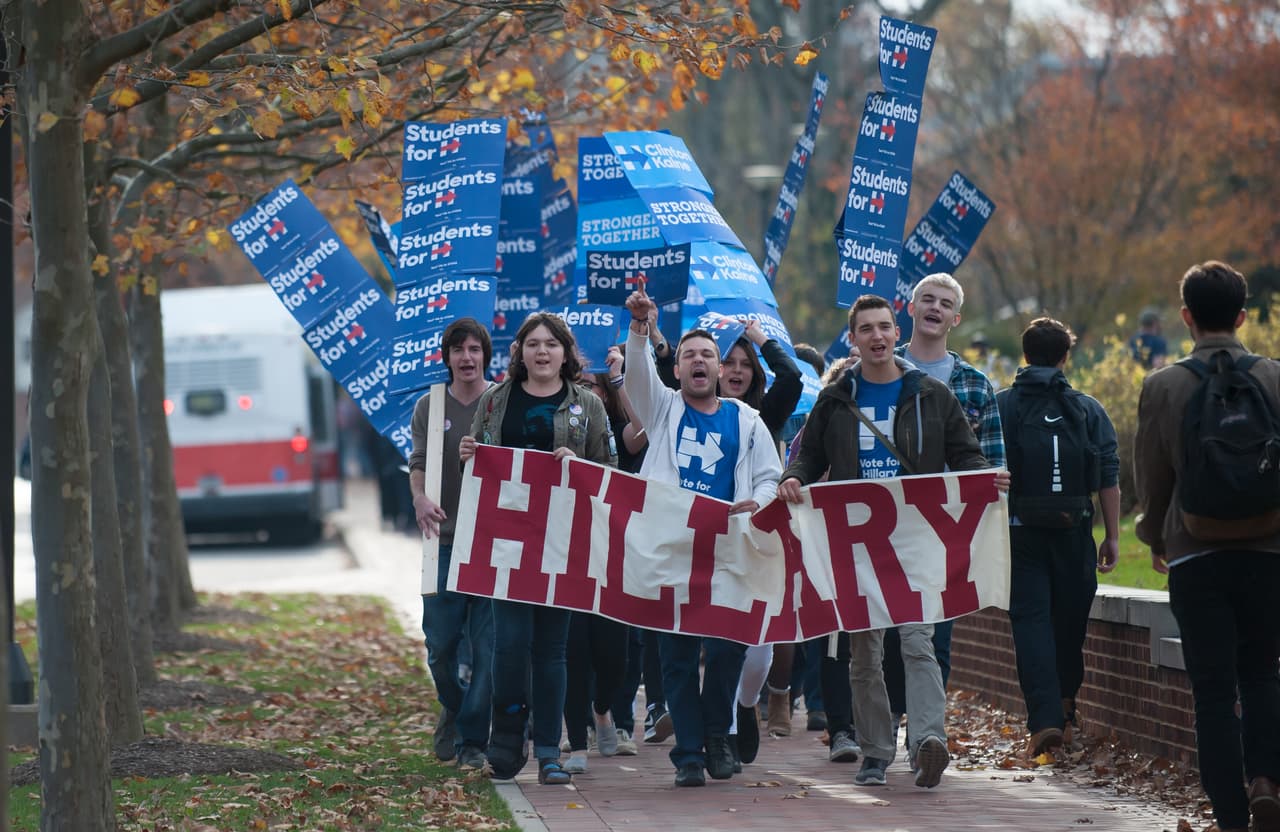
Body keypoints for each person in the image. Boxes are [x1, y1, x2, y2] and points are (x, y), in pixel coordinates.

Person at [778, 294, 1008, 790]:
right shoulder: (837, 398)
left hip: (917, 539)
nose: (878, 336)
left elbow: (965, 454)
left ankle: (929, 741)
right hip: (858, 544)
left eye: (885, 326)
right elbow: (809, 456)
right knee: (864, 653)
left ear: (894, 330)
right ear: (854, 339)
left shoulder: (929, 393)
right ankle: (876, 752)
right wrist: (793, 478)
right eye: (867, 329)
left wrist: (986, 479)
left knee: (919, 641)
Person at [1133, 261, 1280, 832]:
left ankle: (1229, 814)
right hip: (1269, 550)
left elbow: (1152, 478)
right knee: (1263, 673)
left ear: (1186, 317)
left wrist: (1155, 539)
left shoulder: (1163, 385)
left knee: (1213, 691)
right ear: (1242, 317)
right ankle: (1266, 778)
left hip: (1195, 551)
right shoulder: (1273, 378)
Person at [623, 284, 782, 788]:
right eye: (689, 354)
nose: (698, 361)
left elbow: (768, 475)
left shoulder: (747, 419)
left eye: (708, 355)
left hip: (729, 551)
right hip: (672, 549)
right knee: (674, 655)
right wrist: (640, 328)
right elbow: (639, 378)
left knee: (729, 646)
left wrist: (757, 500)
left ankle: (718, 736)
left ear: (719, 370)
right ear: (678, 370)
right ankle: (689, 752)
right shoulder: (663, 410)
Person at [459, 312, 615, 786]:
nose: (542, 351)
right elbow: (480, 461)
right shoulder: (495, 400)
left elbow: (609, 467)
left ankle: (549, 749)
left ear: (566, 353)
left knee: (551, 650)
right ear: (520, 352)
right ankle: (507, 741)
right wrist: (471, 452)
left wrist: (579, 464)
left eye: (551, 344)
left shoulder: (587, 404)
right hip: (506, 543)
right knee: (508, 645)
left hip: (562, 543)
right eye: (533, 344)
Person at [883, 273, 1007, 735]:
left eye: (945, 303)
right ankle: (886, 720)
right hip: (883, 528)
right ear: (909, 309)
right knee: (887, 633)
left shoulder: (974, 385)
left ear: (956, 318)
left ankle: (926, 730)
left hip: (944, 531)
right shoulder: (879, 374)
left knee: (937, 636)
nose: (935, 307)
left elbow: (991, 463)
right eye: (926, 299)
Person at [997, 316, 1119, 757]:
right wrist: (1113, 536)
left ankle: (1044, 720)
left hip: (1019, 533)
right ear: (1066, 356)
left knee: (1030, 623)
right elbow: (1108, 475)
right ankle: (1067, 707)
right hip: (1075, 529)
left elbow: (987, 473)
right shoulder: (1088, 409)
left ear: (1025, 355)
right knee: (1070, 624)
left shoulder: (1003, 406)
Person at [409, 319, 496, 772]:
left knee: (487, 648)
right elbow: (419, 461)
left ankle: (473, 741)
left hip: (491, 544)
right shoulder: (430, 404)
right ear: (447, 357)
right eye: (458, 350)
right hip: (442, 540)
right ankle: (455, 708)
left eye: (474, 349)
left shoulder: (499, 401)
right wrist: (420, 498)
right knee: (440, 646)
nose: (467, 357)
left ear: (485, 354)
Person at [720, 322, 803, 757]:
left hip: (758, 538)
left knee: (757, 649)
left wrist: (757, 338)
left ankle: (748, 701)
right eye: (726, 362)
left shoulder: (763, 416)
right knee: (715, 641)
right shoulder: (684, 412)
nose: (735, 370)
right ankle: (726, 731)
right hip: (708, 540)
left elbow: (791, 377)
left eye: (743, 364)